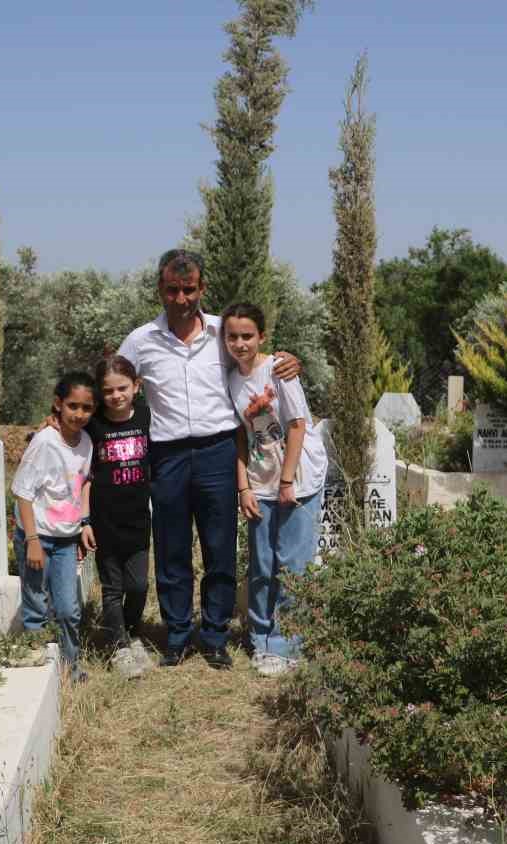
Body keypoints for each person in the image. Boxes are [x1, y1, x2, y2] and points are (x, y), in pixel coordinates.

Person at [116, 249, 301, 668]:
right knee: (172, 547)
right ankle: (177, 635)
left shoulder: (223, 333)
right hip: (167, 455)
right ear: (159, 290)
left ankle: (215, 635)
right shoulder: (141, 340)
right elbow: (113, 378)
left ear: (202, 289)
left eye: (188, 289)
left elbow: (258, 359)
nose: (181, 299)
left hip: (219, 450)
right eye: (172, 290)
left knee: (219, 546)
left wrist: (288, 362)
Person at [223, 302, 327, 676]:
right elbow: (240, 434)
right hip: (260, 479)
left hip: (298, 477)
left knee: (292, 564)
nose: (239, 343)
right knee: (262, 564)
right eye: (232, 336)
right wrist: (243, 487)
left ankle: (288, 645)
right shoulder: (232, 378)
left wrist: (287, 482)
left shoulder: (280, 370)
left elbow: (297, 426)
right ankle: (260, 638)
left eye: (247, 336)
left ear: (261, 337)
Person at [11, 371, 96, 679]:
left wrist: (83, 522)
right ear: (58, 404)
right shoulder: (45, 442)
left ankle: (71, 668)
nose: (79, 414)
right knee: (35, 606)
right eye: (73, 406)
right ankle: (34, 671)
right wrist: (32, 540)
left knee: (69, 610)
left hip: (65, 539)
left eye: (87, 408)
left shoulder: (86, 442)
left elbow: (83, 482)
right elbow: (22, 491)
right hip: (38, 537)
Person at [86, 354, 153, 679]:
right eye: (108, 390)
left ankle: (131, 632)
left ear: (136, 386)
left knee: (139, 585)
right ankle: (119, 647)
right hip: (105, 521)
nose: (116, 396)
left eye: (122, 388)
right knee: (112, 589)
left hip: (139, 519)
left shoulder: (145, 415)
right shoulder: (94, 423)